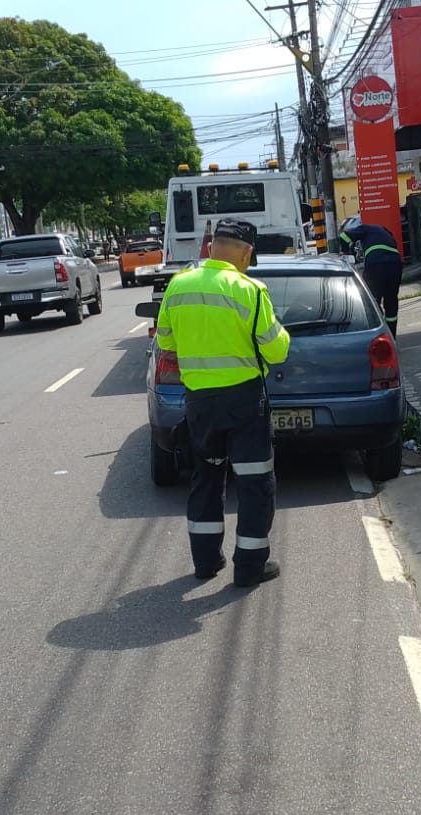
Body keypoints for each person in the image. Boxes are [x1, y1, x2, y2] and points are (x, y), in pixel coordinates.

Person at [155, 218, 292, 587]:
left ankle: (205, 563)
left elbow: (166, 342)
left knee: (206, 477)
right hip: (245, 402)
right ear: (246, 252)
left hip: (199, 402)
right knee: (254, 482)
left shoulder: (178, 285)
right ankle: (249, 569)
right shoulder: (250, 289)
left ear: (212, 247)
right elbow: (276, 351)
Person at [337, 220, 404, 335]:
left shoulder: (365, 228)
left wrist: (345, 252)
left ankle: (378, 332)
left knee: (372, 300)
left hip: (376, 265)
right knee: (391, 300)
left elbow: (343, 236)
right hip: (395, 264)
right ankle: (392, 336)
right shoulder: (386, 233)